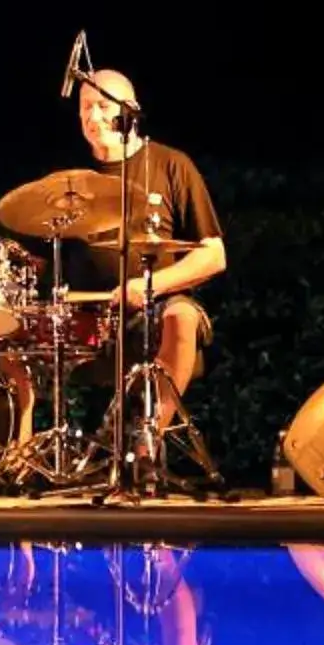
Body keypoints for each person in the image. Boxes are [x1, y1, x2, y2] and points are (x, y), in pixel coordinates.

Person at [57, 68, 227, 433]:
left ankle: (149, 439)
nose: (92, 116)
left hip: (155, 306)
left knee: (182, 316)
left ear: (129, 111)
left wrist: (149, 286)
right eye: (85, 108)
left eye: (102, 106)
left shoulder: (171, 166)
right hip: (85, 314)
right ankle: (20, 453)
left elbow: (214, 254)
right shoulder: (67, 181)